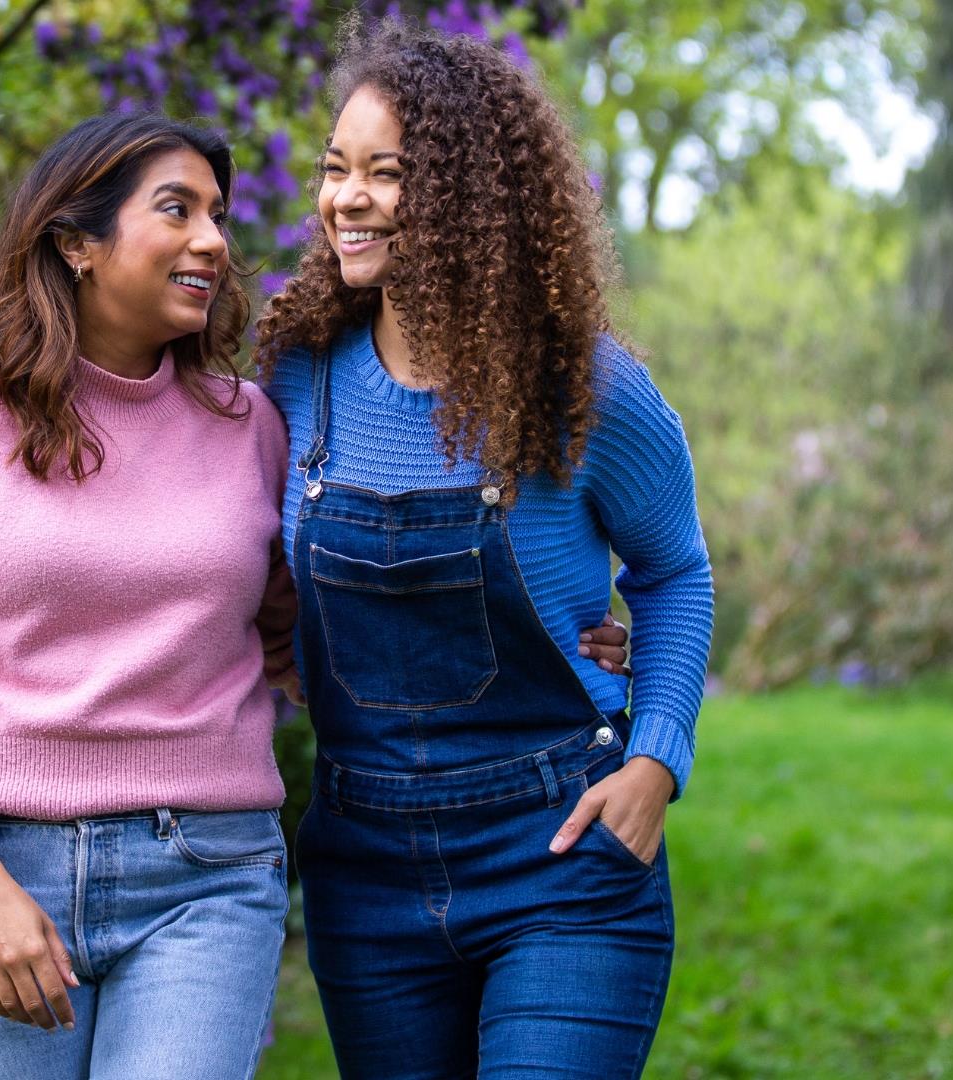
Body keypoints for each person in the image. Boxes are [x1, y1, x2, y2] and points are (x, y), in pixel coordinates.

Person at [0, 110, 627, 1079]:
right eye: (177, 210)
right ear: (76, 242)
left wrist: (541, 634)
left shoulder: (250, 426)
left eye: (217, 212)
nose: (214, 239)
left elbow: (320, 619)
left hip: (204, 878)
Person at [256, 17, 715, 1079]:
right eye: (335, 170)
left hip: (560, 855)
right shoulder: (295, 377)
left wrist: (658, 758)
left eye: (385, 174)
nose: (344, 199)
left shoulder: (586, 390)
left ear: (469, 199)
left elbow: (675, 571)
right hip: (363, 864)